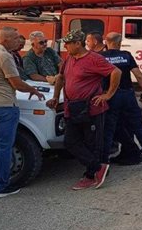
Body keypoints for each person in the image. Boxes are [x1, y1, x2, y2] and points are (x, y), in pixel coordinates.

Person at [0, 27, 45, 199]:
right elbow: (16, 83)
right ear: (5, 40)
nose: (19, 41)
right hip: (4, 107)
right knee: (5, 148)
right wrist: (33, 90)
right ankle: (1, 187)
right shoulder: (5, 56)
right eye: (15, 38)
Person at [46, 30, 121, 191]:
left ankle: (90, 174)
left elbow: (116, 72)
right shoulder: (69, 59)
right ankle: (98, 167)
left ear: (78, 44)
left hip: (91, 109)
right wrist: (55, 97)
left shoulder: (94, 59)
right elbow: (61, 78)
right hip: (72, 108)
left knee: (93, 143)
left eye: (68, 43)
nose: (65, 46)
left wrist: (108, 95)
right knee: (70, 142)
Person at [101, 33, 142, 169]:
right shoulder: (126, 55)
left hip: (110, 96)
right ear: (119, 43)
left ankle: (104, 162)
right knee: (139, 127)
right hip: (127, 95)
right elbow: (138, 75)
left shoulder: (101, 57)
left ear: (106, 42)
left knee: (108, 129)